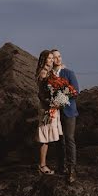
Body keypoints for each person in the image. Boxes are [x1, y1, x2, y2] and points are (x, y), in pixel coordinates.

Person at [51, 48, 79, 184]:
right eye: (55, 57)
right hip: (55, 113)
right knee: (58, 140)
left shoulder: (69, 73)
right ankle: (60, 167)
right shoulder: (50, 76)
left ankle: (72, 170)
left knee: (69, 139)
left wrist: (61, 98)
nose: (58, 59)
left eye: (59, 56)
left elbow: (75, 91)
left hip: (69, 111)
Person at [35, 49, 62, 175]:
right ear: (44, 59)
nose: (52, 60)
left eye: (52, 58)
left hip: (50, 107)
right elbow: (41, 94)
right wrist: (50, 103)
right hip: (46, 108)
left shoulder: (49, 72)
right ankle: (42, 165)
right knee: (44, 136)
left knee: (48, 136)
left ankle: (45, 164)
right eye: (50, 58)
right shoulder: (43, 73)